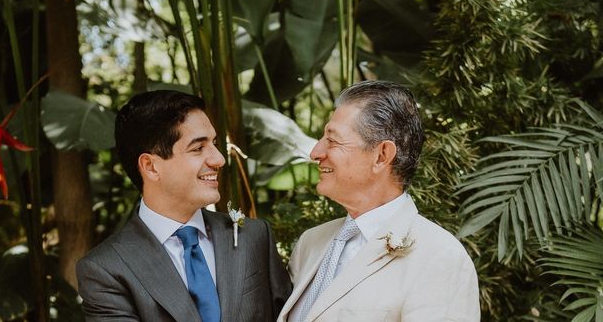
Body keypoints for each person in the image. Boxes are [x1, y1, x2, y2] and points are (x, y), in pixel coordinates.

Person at [77, 90, 291, 321]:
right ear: (150, 166)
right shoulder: (106, 269)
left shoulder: (254, 236)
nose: (218, 159)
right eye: (198, 148)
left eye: (214, 143)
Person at [278, 80, 480, 322]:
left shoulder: (441, 257)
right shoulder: (310, 243)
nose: (315, 153)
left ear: (382, 155)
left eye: (332, 140)